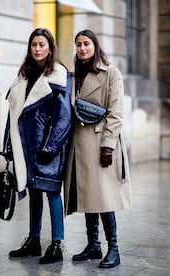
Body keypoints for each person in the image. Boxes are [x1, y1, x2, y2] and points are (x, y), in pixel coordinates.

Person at [0, 28, 72, 264]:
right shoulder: (23, 75)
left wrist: (50, 148)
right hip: (25, 147)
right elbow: (14, 114)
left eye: (42, 44)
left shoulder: (59, 75)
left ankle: (57, 244)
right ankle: (33, 240)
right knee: (33, 192)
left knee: (51, 192)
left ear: (50, 48)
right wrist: (8, 145)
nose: (38, 49)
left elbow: (64, 117)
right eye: (34, 45)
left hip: (47, 148)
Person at [64, 29, 132, 269]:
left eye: (86, 44)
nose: (82, 48)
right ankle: (94, 245)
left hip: (100, 143)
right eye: (79, 44)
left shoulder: (111, 73)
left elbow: (116, 113)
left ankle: (114, 248)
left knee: (104, 198)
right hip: (79, 143)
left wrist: (108, 146)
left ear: (95, 46)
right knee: (88, 194)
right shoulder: (74, 76)